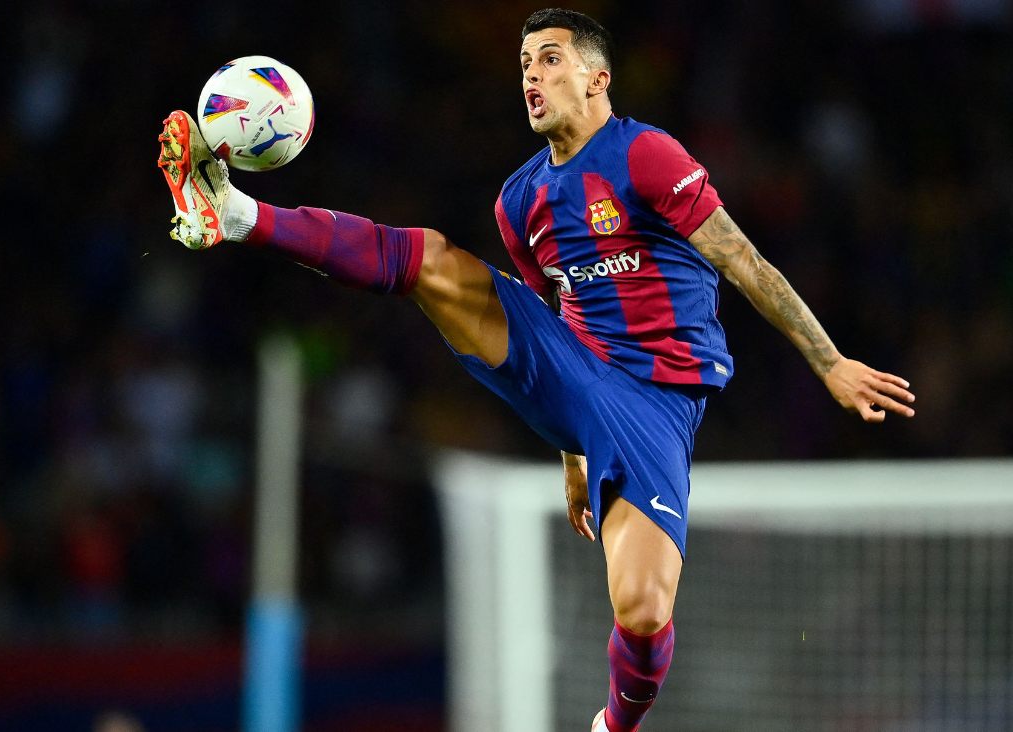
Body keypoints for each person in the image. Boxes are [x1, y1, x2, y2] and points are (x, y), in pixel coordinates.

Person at [156, 8, 915, 730]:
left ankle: (616, 722)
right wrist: (571, 447)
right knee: (429, 261)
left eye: (549, 59)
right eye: (524, 63)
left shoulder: (646, 155)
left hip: (656, 405)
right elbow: (556, 316)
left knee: (644, 611)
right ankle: (239, 215)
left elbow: (743, 260)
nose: (531, 76)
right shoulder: (520, 201)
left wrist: (831, 362)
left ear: (597, 78)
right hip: (574, 369)